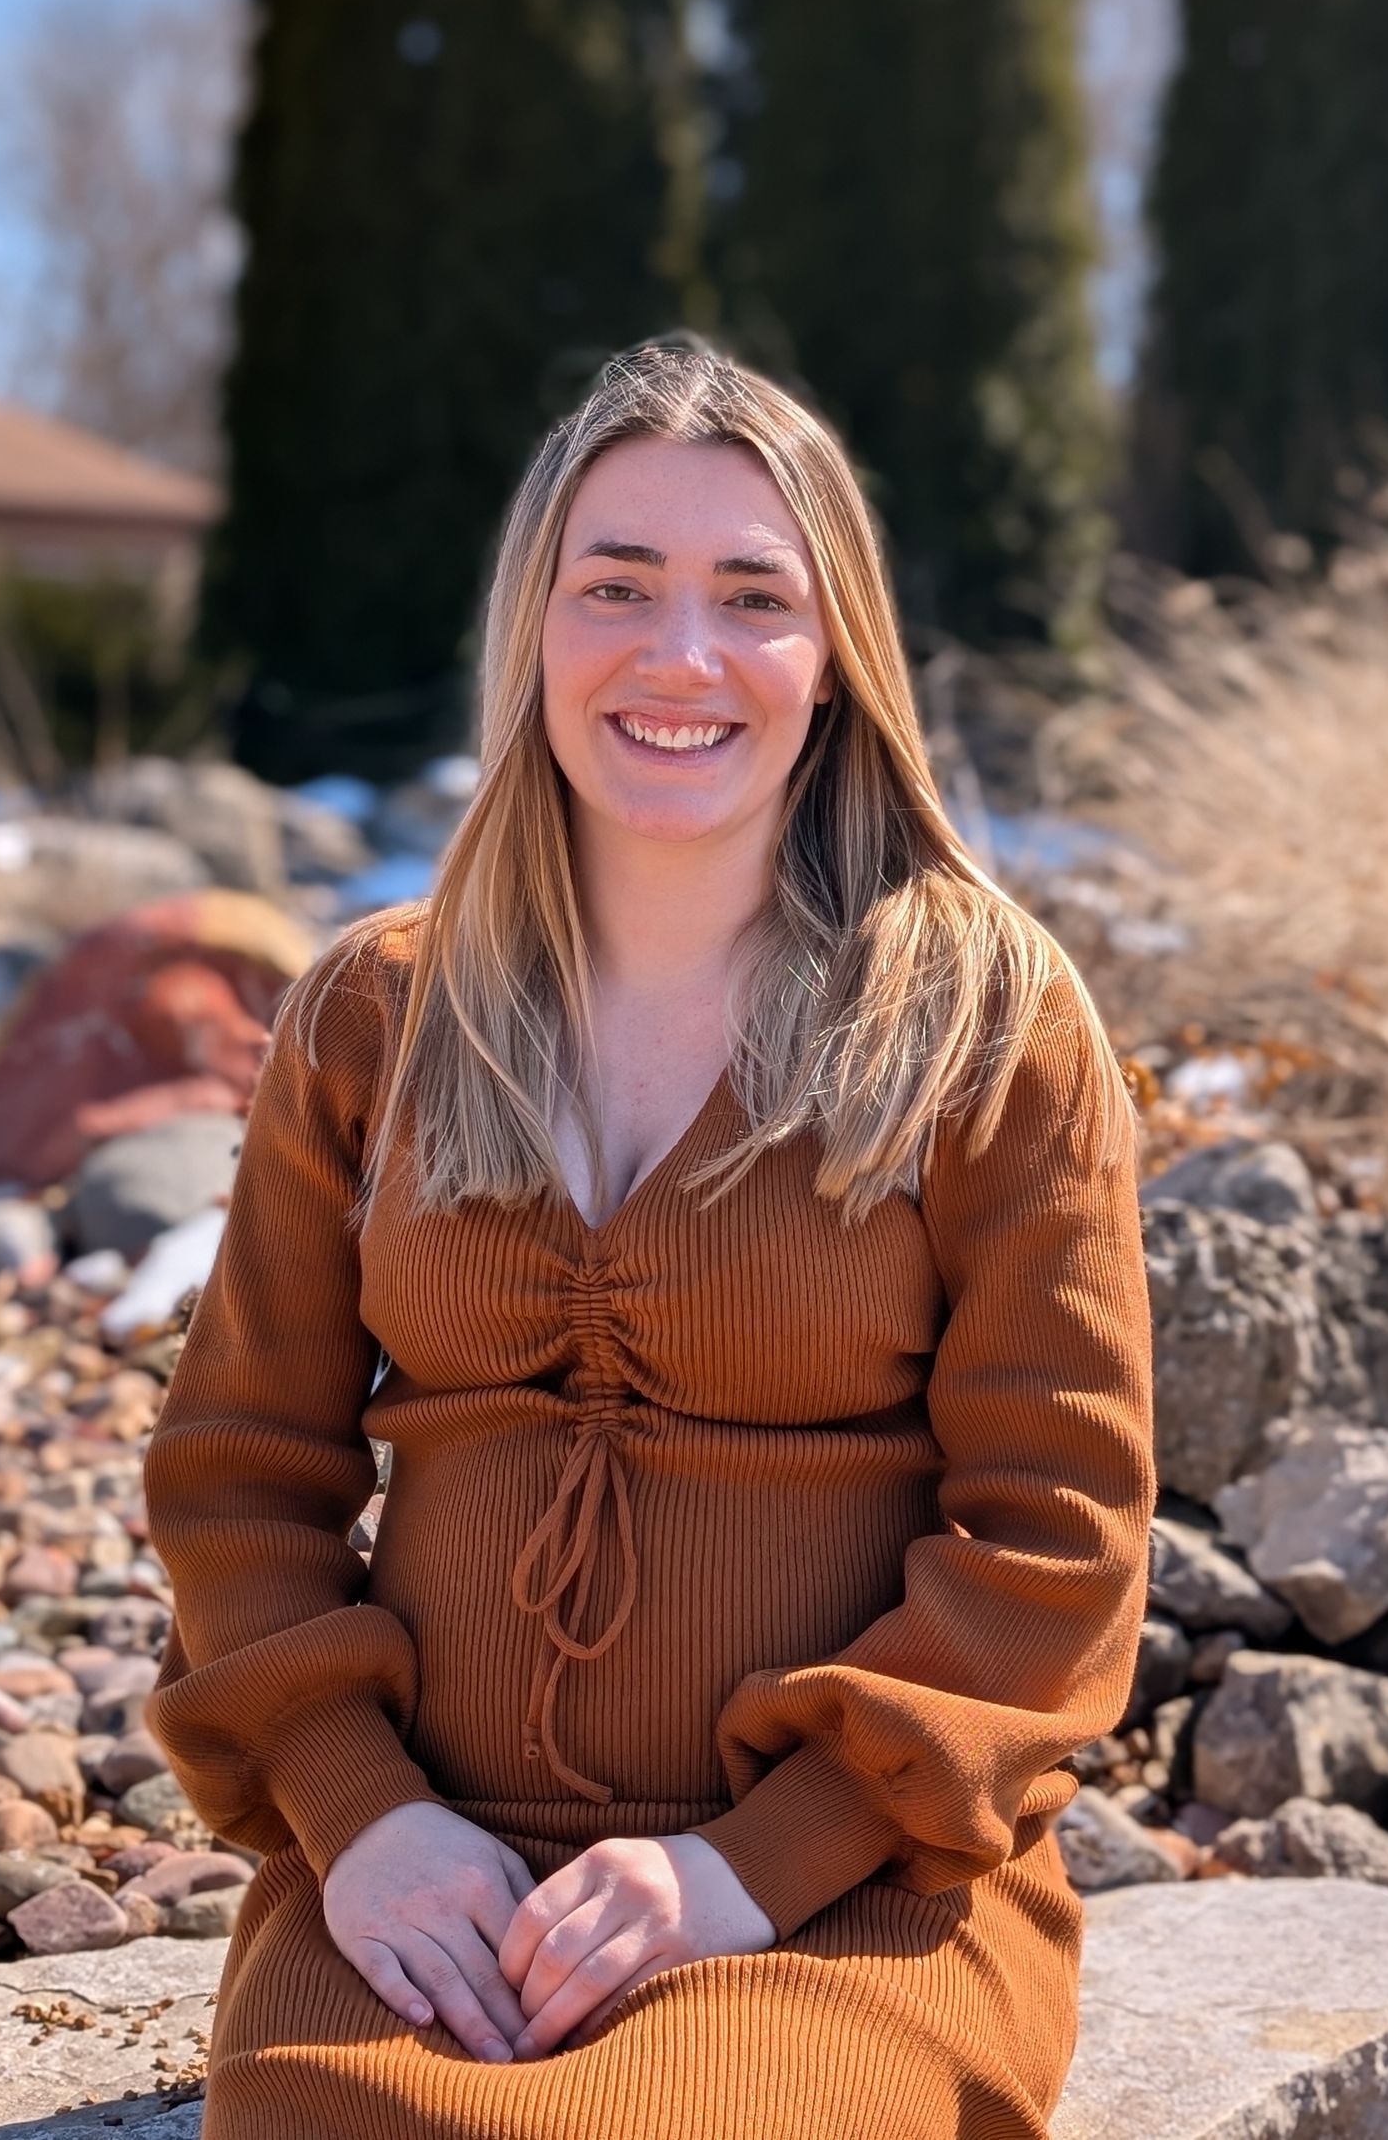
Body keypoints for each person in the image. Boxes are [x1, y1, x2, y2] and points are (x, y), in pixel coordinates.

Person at [141, 338, 1157, 2139]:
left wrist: (752, 1867)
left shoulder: (987, 1020)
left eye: (752, 595)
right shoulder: (376, 1014)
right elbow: (237, 1471)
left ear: (833, 653)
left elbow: (1057, 1534)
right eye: (619, 585)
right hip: (432, 1876)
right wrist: (356, 1809)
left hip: (853, 1886)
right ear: (537, 625)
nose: (680, 656)